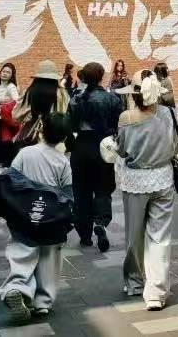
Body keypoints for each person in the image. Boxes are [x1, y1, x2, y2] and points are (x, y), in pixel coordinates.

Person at [0, 113, 73, 322]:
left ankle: (17, 287)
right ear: (64, 137)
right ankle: (42, 302)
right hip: (51, 216)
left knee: (22, 252)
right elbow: (67, 194)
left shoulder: (25, 153)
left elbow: (10, 177)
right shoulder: (62, 161)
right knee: (49, 256)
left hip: (24, 213)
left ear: (41, 130)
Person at [115, 70, 177, 311]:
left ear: (134, 95)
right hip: (163, 178)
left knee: (134, 235)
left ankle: (135, 282)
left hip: (135, 180)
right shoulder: (169, 114)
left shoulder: (126, 118)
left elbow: (121, 149)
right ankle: (156, 292)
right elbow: (174, 145)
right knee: (160, 237)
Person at [68, 61, 124, 251]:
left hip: (81, 146)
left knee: (80, 191)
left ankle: (84, 233)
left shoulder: (76, 99)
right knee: (103, 188)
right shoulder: (112, 99)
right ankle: (101, 222)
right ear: (101, 76)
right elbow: (118, 124)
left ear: (83, 77)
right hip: (104, 147)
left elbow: (71, 125)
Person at [13, 62, 71, 150]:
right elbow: (62, 113)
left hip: (30, 132)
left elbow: (16, 116)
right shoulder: (62, 93)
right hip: (52, 135)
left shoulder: (30, 91)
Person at [0, 63, 21, 167]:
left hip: (5, 122)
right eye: (3, 71)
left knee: (5, 148)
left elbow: (16, 101)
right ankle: (2, 170)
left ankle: (5, 170)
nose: (5, 73)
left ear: (12, 75)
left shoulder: (11, 87)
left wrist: (3, 103)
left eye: (8, 72)